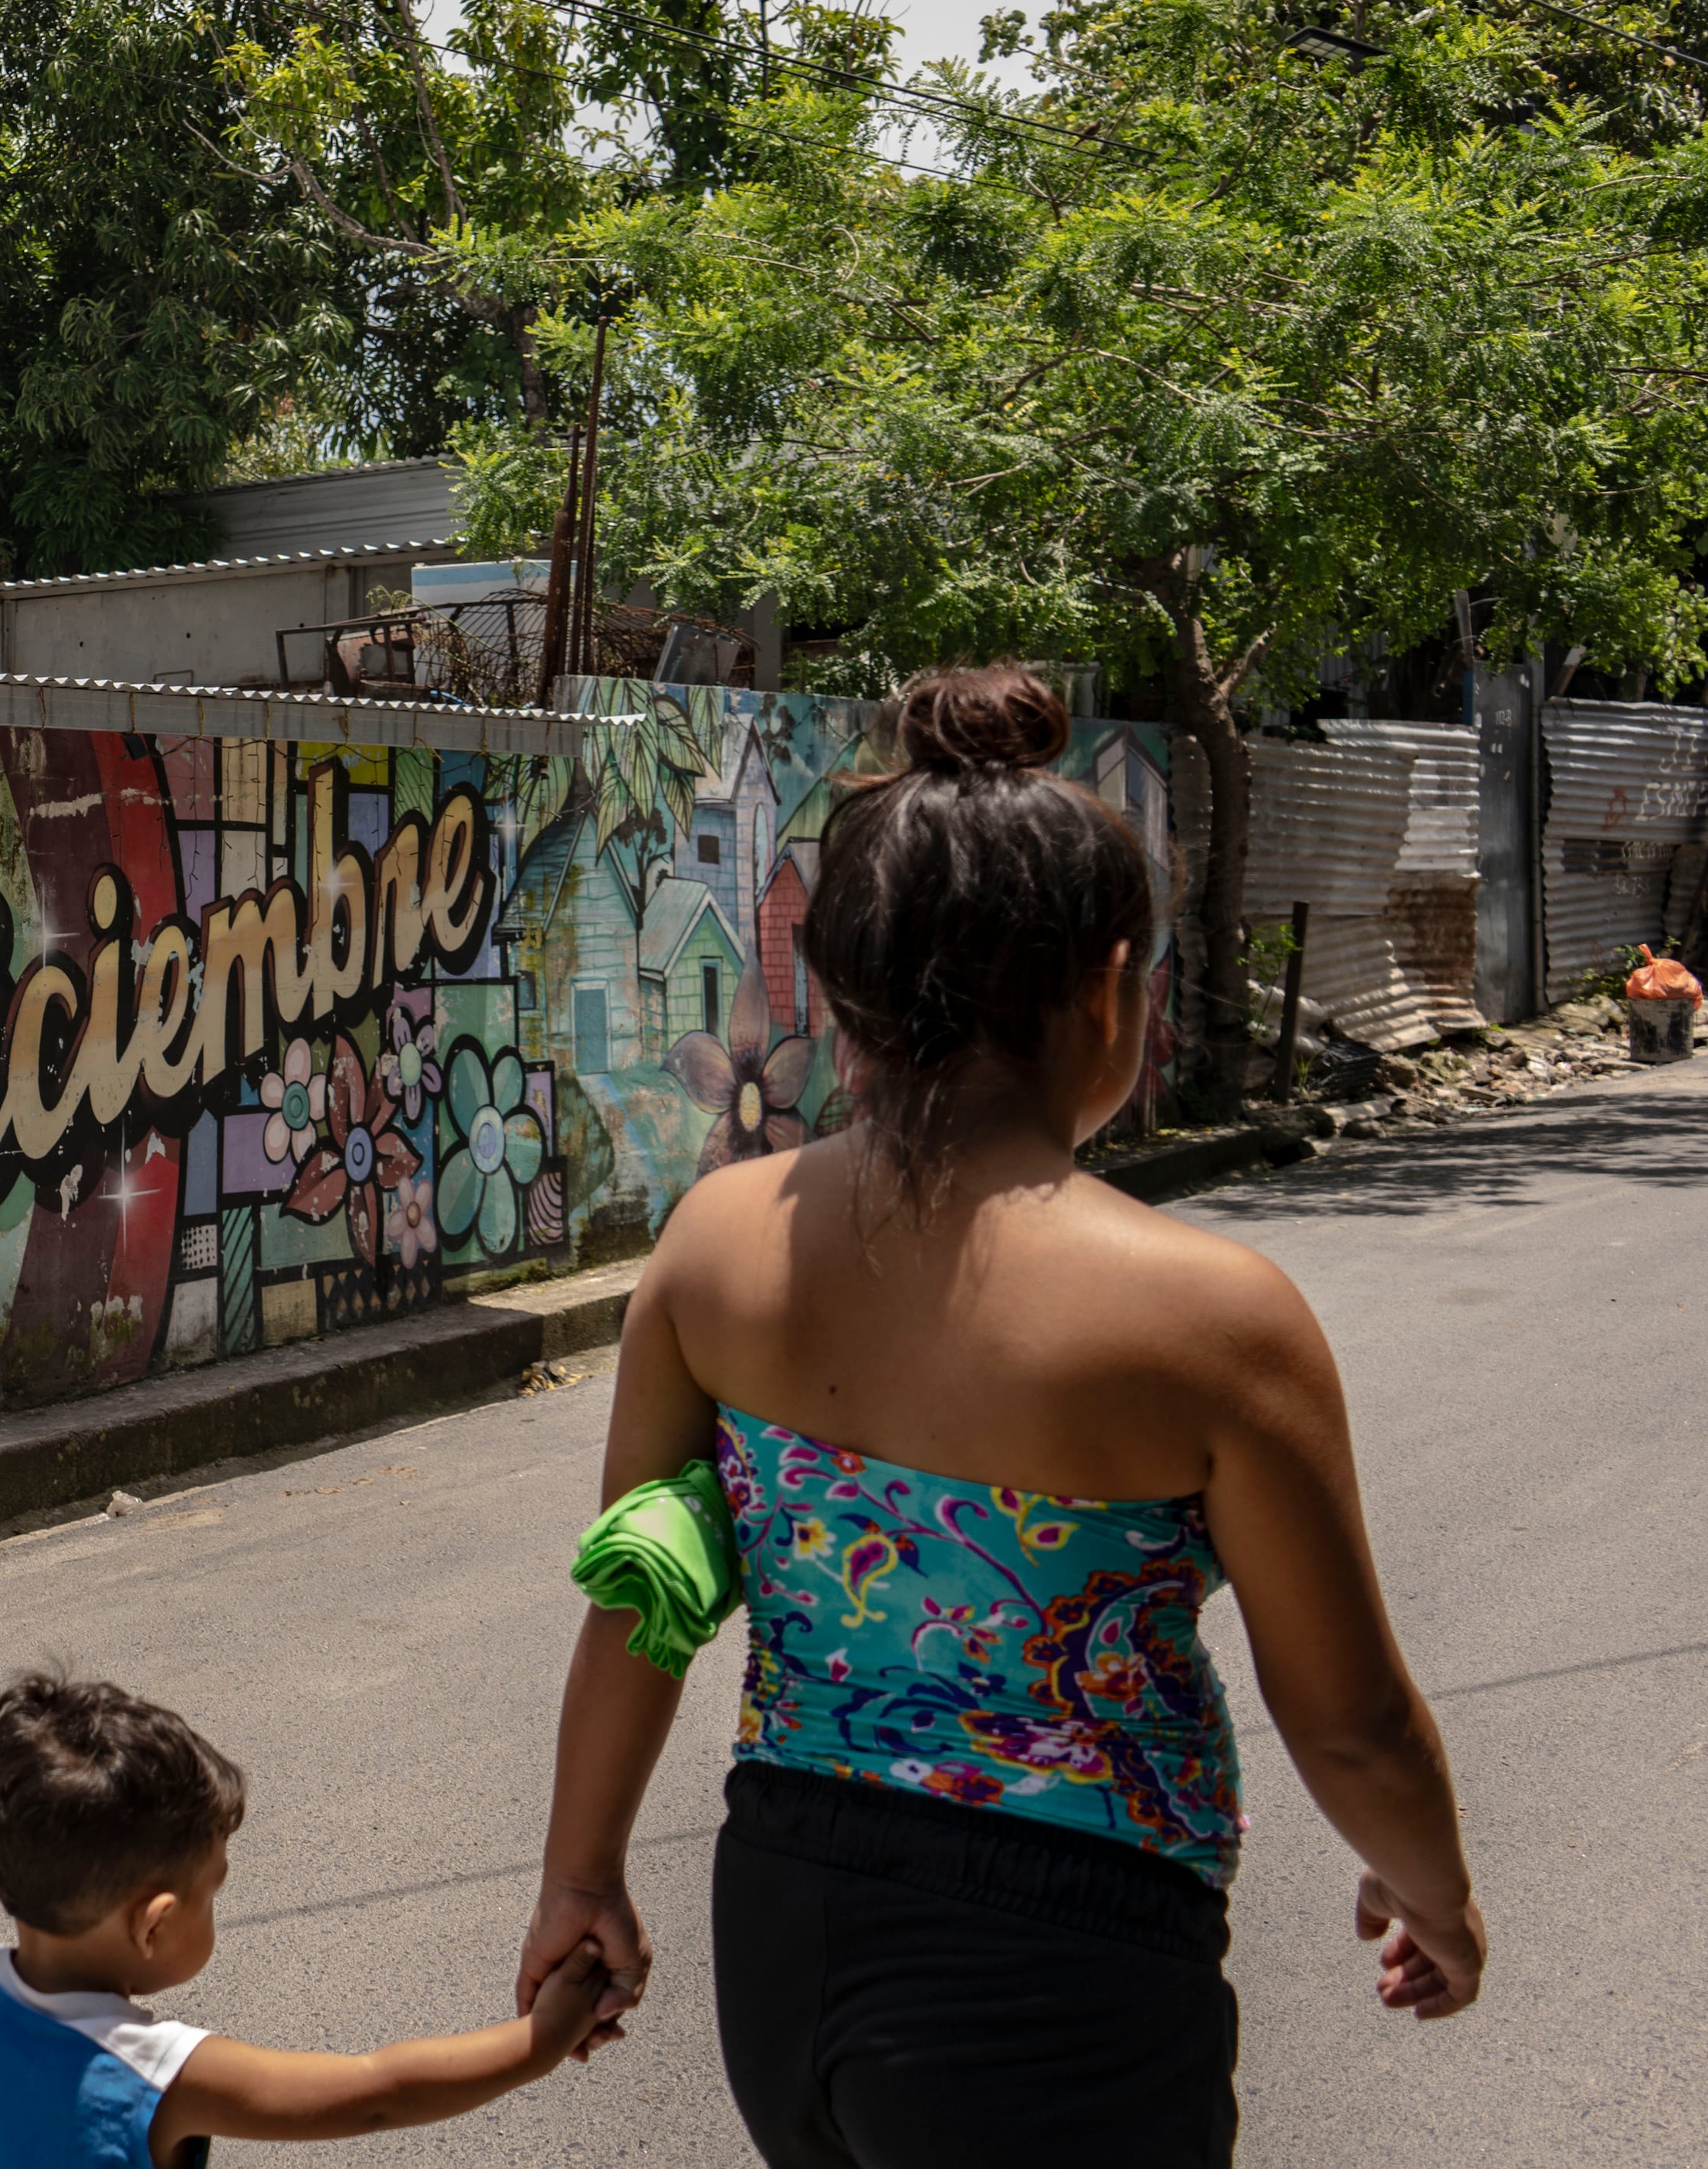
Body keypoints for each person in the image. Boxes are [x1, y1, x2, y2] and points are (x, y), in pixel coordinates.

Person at [518, 665, 1486, 2167]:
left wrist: (578, 1870)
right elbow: (1350, 1720)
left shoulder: (710, 1246)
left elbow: (643, 1594)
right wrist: (1430, 1886)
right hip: (1061, 1974)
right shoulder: (1212, 1316)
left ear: (835, 983)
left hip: (781, 1914)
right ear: (1105, 986)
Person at [0, 1674, 610, 2169]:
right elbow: (377, 2092)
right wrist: (542, 2039)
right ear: (153, 1927)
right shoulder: (152, 2074)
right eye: (211, 1889)